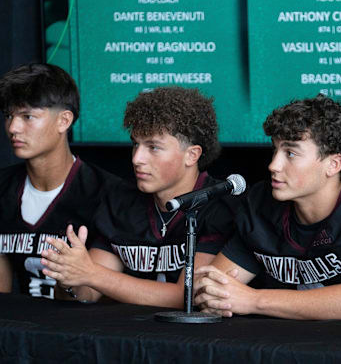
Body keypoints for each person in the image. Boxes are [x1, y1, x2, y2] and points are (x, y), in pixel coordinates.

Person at [193, 94, 341, 319]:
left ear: (333, 164)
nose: (273, 165)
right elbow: (210, 286)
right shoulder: (262, 206)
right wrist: (214, 296)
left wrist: (253, 300)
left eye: (291, 153)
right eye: (275, 150)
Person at [40, 87, 238, 308]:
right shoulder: (121, 202)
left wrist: (92, 274)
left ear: (192, 155)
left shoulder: (219, 204)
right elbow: (88, 291)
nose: (137, 158)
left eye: (153, 147)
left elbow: (188, 296)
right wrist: (69, 276)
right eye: (136, 144)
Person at [0, 63, 121, 299]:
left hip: (88, 330)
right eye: (9, 115)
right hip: (20, 330)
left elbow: (88, 296)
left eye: (27, 116)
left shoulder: (108, 194)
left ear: (64, 120)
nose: (13, 127)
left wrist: (70, 275)